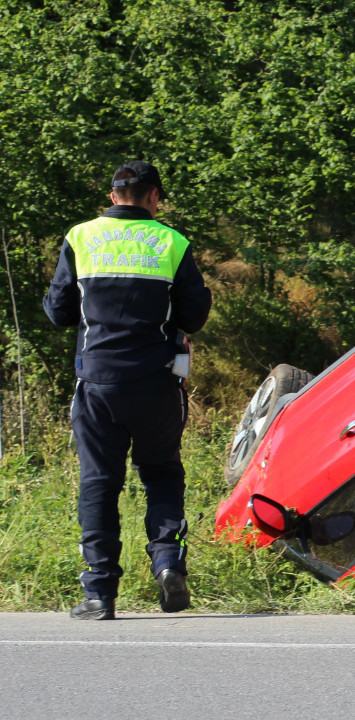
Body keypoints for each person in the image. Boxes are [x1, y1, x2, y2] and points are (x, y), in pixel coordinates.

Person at [43, 161, 212, 620]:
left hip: (96, 382)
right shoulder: (172, 242)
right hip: (157, 380)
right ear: (154, 196)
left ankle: (99, 593)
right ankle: (167, 563)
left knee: (99, 483)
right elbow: (195, 316)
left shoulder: (81, 238)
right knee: (161, 472)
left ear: (114, 194)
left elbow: (58, 313)